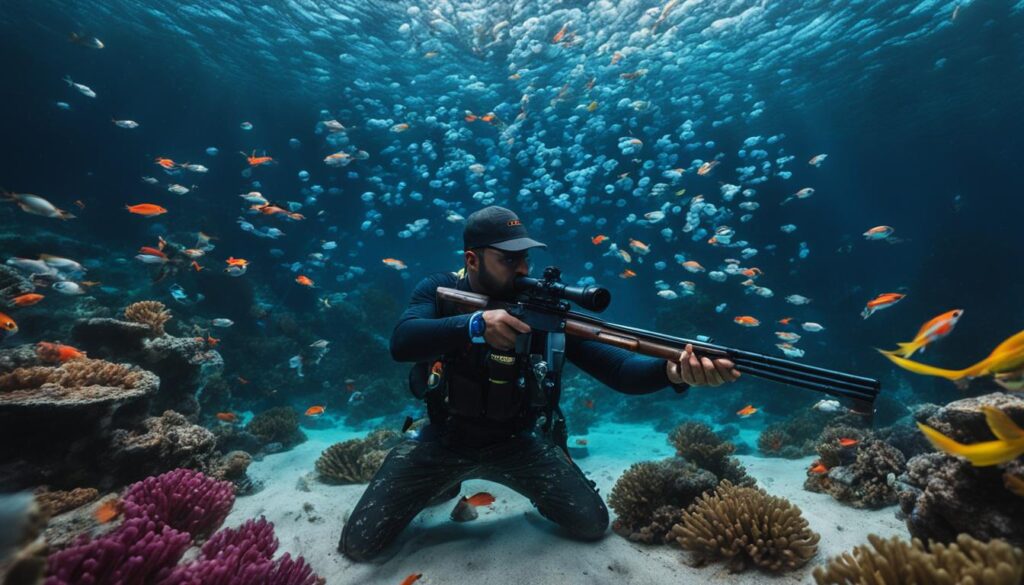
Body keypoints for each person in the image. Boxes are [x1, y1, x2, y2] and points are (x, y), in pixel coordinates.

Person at [338, 205, 741, 561]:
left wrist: (672, 372)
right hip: (442, 437)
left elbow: (621, 371)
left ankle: (512, 484)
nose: (523, 270)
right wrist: (475, 325)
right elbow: (403, 342)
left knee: (590, 524)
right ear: (472, 260)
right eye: (508, 259)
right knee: (359, 546)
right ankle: (443, 484)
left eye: (526, 258)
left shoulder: (542, 312)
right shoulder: (440, 291)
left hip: (518, 442)